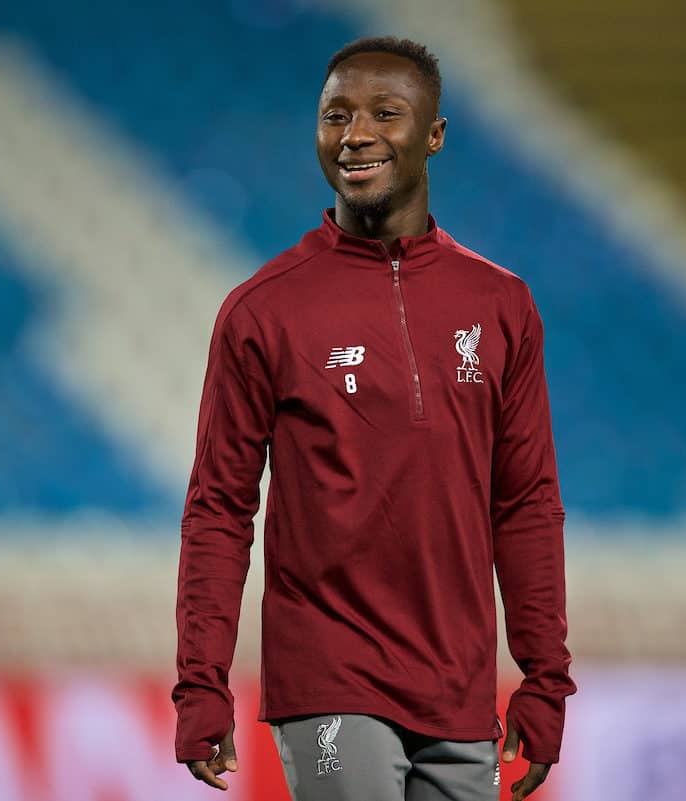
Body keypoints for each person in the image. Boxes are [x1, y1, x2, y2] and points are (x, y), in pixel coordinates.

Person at [172, 36, 575, 801]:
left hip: (459, 686)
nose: (354, 134)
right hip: (329, 676)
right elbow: (219, 508)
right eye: (335, 116)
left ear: (434, 134)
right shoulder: (264, 310)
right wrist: (202, 683)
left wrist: (545, 678)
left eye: (384, 113)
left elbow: (525, 501)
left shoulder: (501, 305)